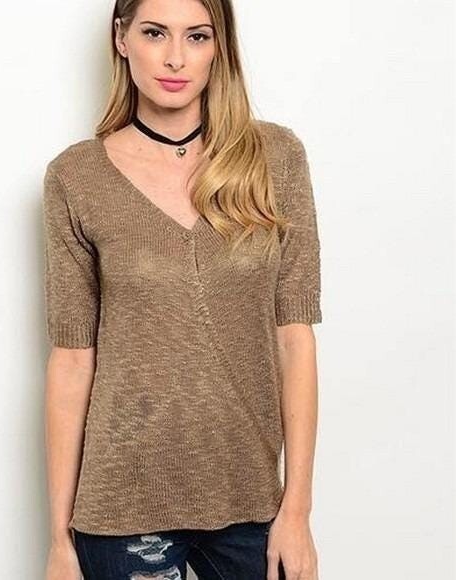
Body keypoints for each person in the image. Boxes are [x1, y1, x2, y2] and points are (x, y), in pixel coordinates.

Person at [42, 0, 322, 578]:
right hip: (122, 505)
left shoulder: (275, 158)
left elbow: (294, 339)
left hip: (252, 498)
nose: (175, 58)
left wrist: (296, 510)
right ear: (121, 39)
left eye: (197, 36)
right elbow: (72, 359)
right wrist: (59, 540)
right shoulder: (76, 177)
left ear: (220, 47)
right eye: (154, 33)